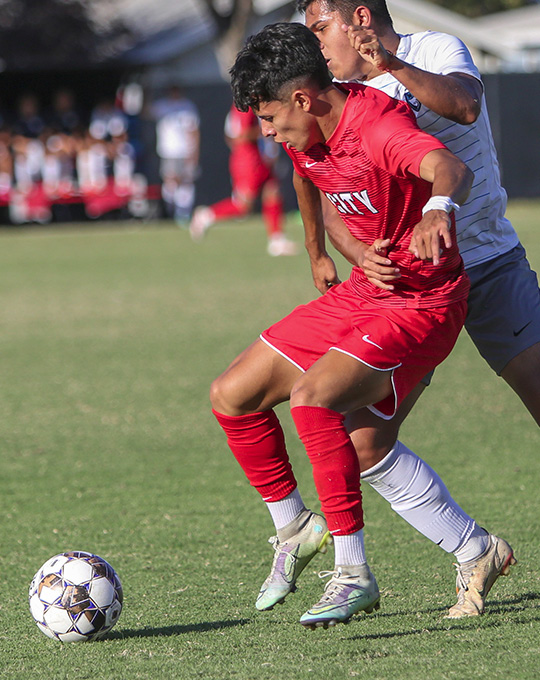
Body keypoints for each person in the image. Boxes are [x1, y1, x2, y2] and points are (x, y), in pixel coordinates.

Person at [211, 21, 474, 628]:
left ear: (303, 98)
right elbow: (309, 176)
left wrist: (437, 211)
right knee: (232, 396)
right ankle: (295, 528)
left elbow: (447, 167)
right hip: (365, 292)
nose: (268, 132)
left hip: (423, 301)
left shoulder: (378, 126)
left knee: (313, 400)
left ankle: (353, 573)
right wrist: (321, 249)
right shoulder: (303, 130)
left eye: (271, 118)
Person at [296, 0, 526, 617]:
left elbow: (466, 106)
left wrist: (389, 62)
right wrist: (355, 250)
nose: (316, 45)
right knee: (363, 442)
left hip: (489, 264)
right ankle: (474, 549)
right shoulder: (336, 93)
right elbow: (326, 187)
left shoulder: (433, 49)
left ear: (358, 17)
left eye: (321, 28)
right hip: (413, 289)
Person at [189, 103, 298, 256]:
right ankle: (206, 216)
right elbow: (242, 134)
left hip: (258, 156)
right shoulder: (243, 106)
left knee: (272, 190)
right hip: (248, 158)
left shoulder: (252, 104)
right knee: (243, 206)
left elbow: (230, 135)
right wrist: (268, 130)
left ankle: (276, 239)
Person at [151, 86, 200, 223]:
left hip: (184, 151)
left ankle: (183, 214)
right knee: (170, 182)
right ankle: (170, 211)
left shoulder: (187, 107)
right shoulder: (162, 105)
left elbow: (194, 131)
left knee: (186, 181)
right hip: (168, 152)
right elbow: (146, 111)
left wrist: (194, 152)